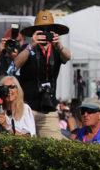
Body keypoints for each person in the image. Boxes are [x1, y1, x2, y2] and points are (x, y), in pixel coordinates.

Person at [14, 11, 72, 139]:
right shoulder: (27, 49)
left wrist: (59, 45)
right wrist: (31, 46)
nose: (45, 34)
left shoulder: (56, 50)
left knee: (55, 145)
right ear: (34, 32)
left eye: (48, 30)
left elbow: (68, 57)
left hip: (48, 109)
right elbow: (16, 64)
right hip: (26, 109)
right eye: (41, 31)